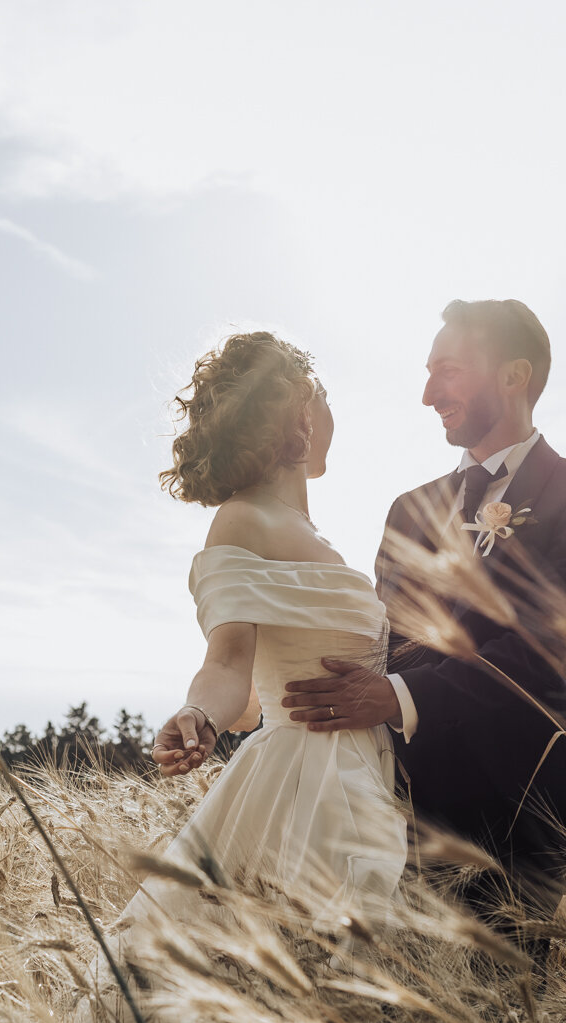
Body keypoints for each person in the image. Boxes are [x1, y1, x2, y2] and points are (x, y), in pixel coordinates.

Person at [280, 299, 566, 973]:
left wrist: (395, 697)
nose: (428, 394)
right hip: (395, 812)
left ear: (512, 376)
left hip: (514, 820)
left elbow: (543, 652)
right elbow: (378, 642)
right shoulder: (408, 510)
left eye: (447, 371)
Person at [125, 332, 408, 945]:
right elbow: (230, 664)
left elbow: (254, 692)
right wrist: (199, 711)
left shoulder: (310, 533)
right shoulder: (241, 518)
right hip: (310, 779)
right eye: (323, 397)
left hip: (367, 767)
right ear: (303, 411)